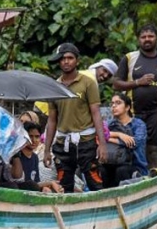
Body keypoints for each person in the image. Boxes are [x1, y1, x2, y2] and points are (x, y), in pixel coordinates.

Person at [113, 24, 157, 169]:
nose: (147, 39)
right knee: (131, 145)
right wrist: (138, 82)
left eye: (150, 36)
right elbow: (116, 84)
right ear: (138, 40)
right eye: (143, 37)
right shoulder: (129, 58)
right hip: (131, 113)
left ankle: (153, 175)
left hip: (156, 113)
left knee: (153, 149)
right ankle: (132, 179)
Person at [43, 43, 108, 193]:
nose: (66, 61)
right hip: (62, 144)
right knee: (64, 187)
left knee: (95, 183)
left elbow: (96, 113)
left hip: (86, 143)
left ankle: (101, 214)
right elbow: (52, 120)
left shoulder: (88, 83)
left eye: (70, 58)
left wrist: (102, 144)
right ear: (59, 61)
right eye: (63, 58)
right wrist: (47, 150)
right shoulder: (54, 86)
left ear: (77, 61)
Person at [102, 93, 148, 188]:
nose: (114, 106)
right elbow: (98, 135)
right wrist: (119, 135)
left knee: (121, 170)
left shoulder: (138, 124)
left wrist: (108, 138)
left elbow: (134, 143)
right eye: (112, 103)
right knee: (101, 169)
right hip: (112, 163)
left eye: (118, 103)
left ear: (127, 107)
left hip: (134, 166)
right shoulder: (110, 124)